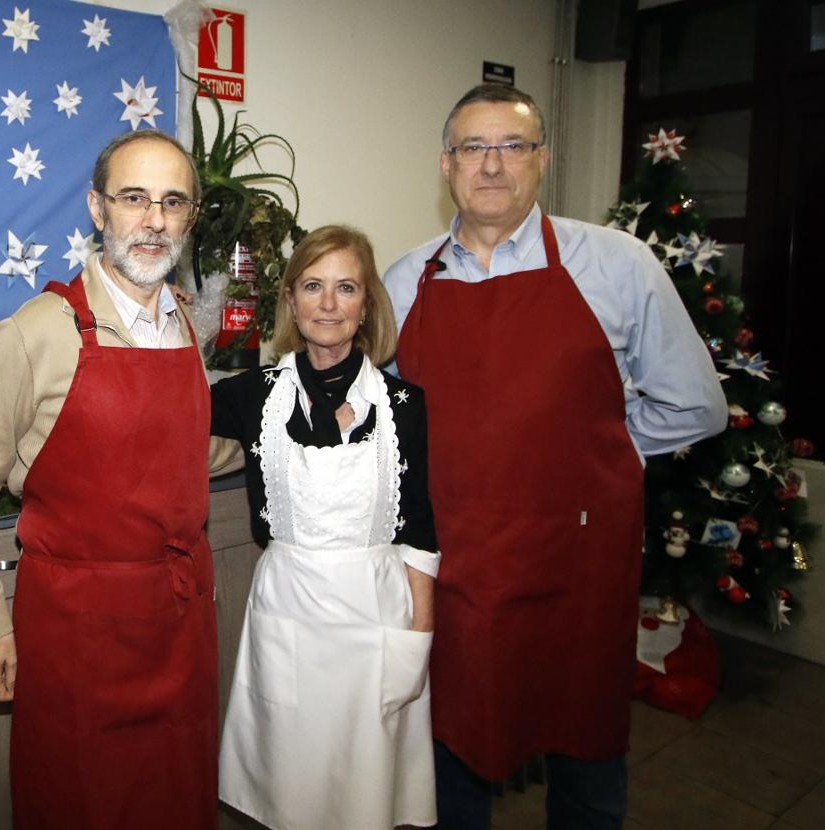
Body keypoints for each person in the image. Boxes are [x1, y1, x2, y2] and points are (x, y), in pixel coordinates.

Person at [384, 83, 728, 829]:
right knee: (451, 743)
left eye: (512, 146)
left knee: (586, 748)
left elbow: (696, 405)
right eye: (474, 147)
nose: (493, 166)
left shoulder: (617, 264)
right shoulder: (407, 280)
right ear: (446, 164)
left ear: (541, 160)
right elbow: (384, 415)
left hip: (577, 560)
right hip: (456, 562)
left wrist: (594, 448)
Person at [0, 129, 217, 830]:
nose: (153, 220)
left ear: (188, 217)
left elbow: (187, 450)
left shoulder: (186, 325)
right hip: (75, 636)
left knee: (173, 804)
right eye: (134, 199)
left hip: (177, 625)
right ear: (97, 209)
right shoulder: (38, 332)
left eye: (172, 202)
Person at [211, 225, 440, 830]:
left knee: (368, 791)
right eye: (313, 286)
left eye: (346, 288)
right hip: (289, 609)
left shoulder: (405, 404)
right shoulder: (250, 397)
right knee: (290, 790)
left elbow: (419, 529)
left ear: (367, 305)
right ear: (290, 300)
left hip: (376, 616)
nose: (329, 304)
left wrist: (419, 636)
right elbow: (159, 404)